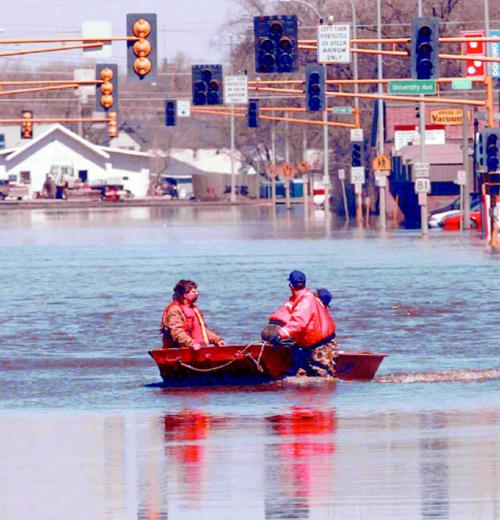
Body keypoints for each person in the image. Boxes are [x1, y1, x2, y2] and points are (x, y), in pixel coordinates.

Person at [266, 271, 338, 377]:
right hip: (308, 347)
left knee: (323, 381)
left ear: (291, 285)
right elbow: (284, 313)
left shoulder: (305, 301)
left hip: (322, 347)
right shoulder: (304, 298)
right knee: (298, 378)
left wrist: (280, 334)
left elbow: (299, 323)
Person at [160, 279, 225, 350]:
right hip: (183, 349)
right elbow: (177, 332)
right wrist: (192, 343)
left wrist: (217, 340)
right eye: (193, 291)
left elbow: (203, 330)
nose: (197, 293)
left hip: (199, 348)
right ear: (185, 294)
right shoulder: (174, 309)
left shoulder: (194, 309)